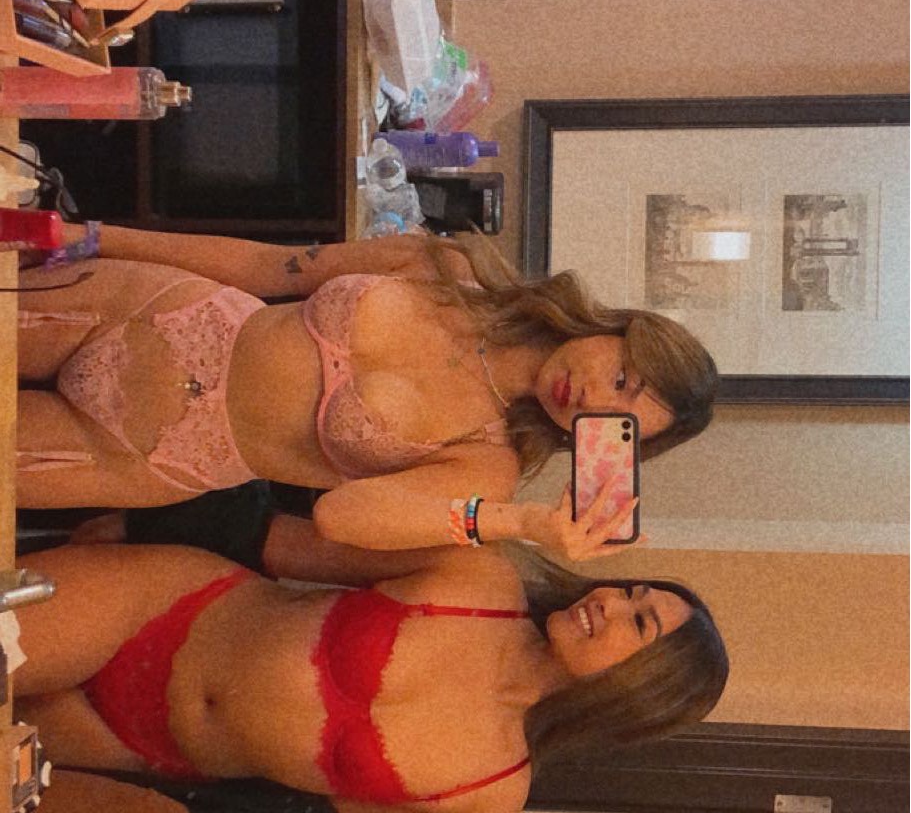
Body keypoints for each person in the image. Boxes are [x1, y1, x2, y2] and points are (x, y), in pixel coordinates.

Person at [13, 488, 728, 813]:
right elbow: (310, 531)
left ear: (638, 693)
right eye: (631, 591)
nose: (609, 601)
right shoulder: (481, 580)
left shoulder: (489, 797)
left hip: (144, 748)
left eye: (638, 622)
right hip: (156, 607)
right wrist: (516, 519)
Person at [16, 222, 717, 556]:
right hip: (148, 310)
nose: (592, 397)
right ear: (612, 327)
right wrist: (89, 236)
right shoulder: (449, 268)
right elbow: (268, 266)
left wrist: (522, 524)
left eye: (616, 418)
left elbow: (342, 518)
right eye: (620, 376)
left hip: (151, 454)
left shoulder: (485, 466)